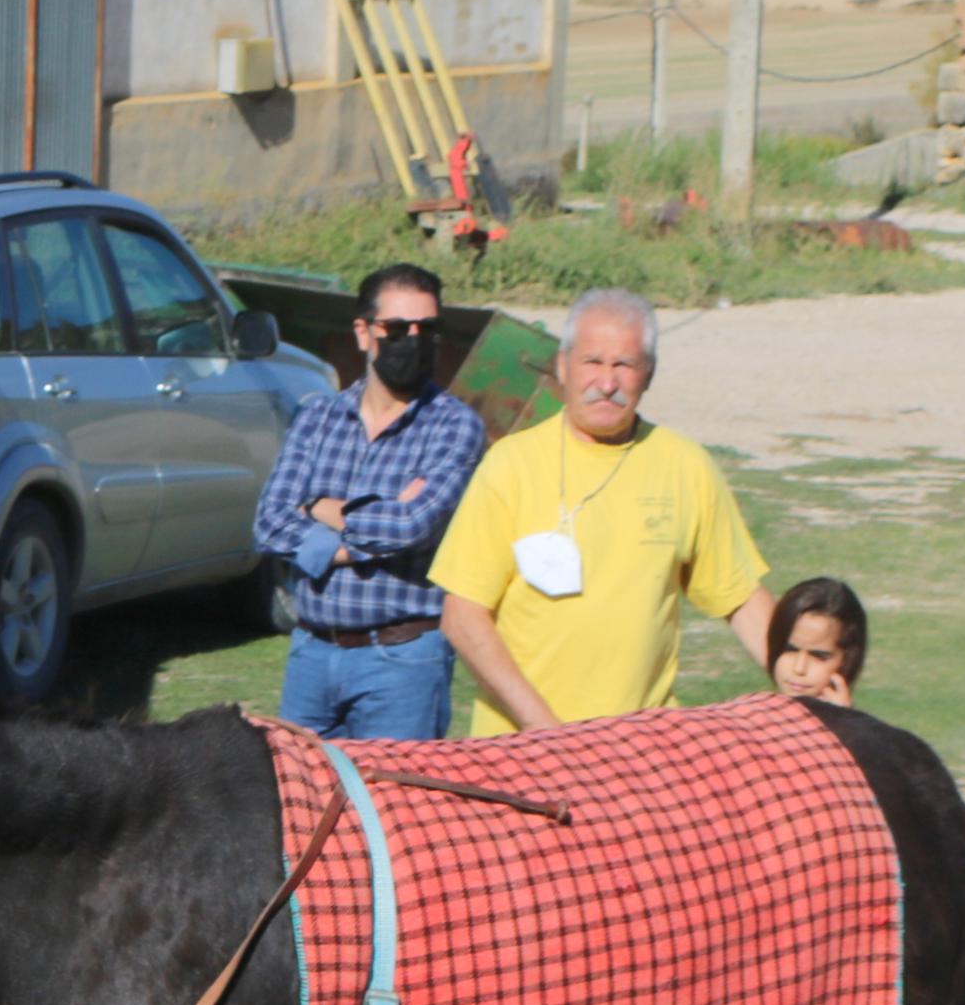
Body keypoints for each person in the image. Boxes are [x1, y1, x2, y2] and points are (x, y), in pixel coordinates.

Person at [430, 287, 776, 735]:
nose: (607, 383)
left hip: (639, 751)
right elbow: (462, 617)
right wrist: (547, 730)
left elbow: (743, 599)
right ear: (562, 367)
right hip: (520, 749)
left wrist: (811, 682)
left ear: (648, 373)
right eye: (592, 362)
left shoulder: (686, 466)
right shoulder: (510, 465)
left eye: (624, 365)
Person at [251, 262, 486, 738]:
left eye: (427, 329)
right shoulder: (318, 417)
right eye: (397, 328)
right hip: (312, 654)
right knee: (304, 804)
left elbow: (410, 527)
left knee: (395, 808)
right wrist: (370, 524)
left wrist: (317, 507)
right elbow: (269, 523)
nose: (413, 340)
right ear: (364, 333)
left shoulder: (455, 426)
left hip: (402, 659)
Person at [766, 576, 867, 708]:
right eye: (790, 650)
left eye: (818, 656)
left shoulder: (854, 727)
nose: (799, 668)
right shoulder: (749, 718)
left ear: (847, 660)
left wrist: (843, 720)